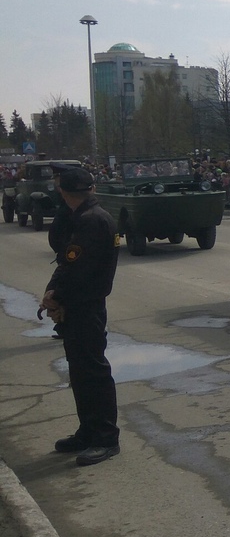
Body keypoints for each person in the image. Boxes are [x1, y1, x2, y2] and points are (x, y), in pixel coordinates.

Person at [39, 166, 121, 466]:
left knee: (92, 371)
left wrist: (55, 297)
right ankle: (88, 431)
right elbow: (65, 258)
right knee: (81, 372)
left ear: (63, 191)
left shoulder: (91, 221)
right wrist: (54, 294)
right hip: (78, 303)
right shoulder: (83, 217)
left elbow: (76, 268)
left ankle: (105, 437)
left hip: (87, 305)